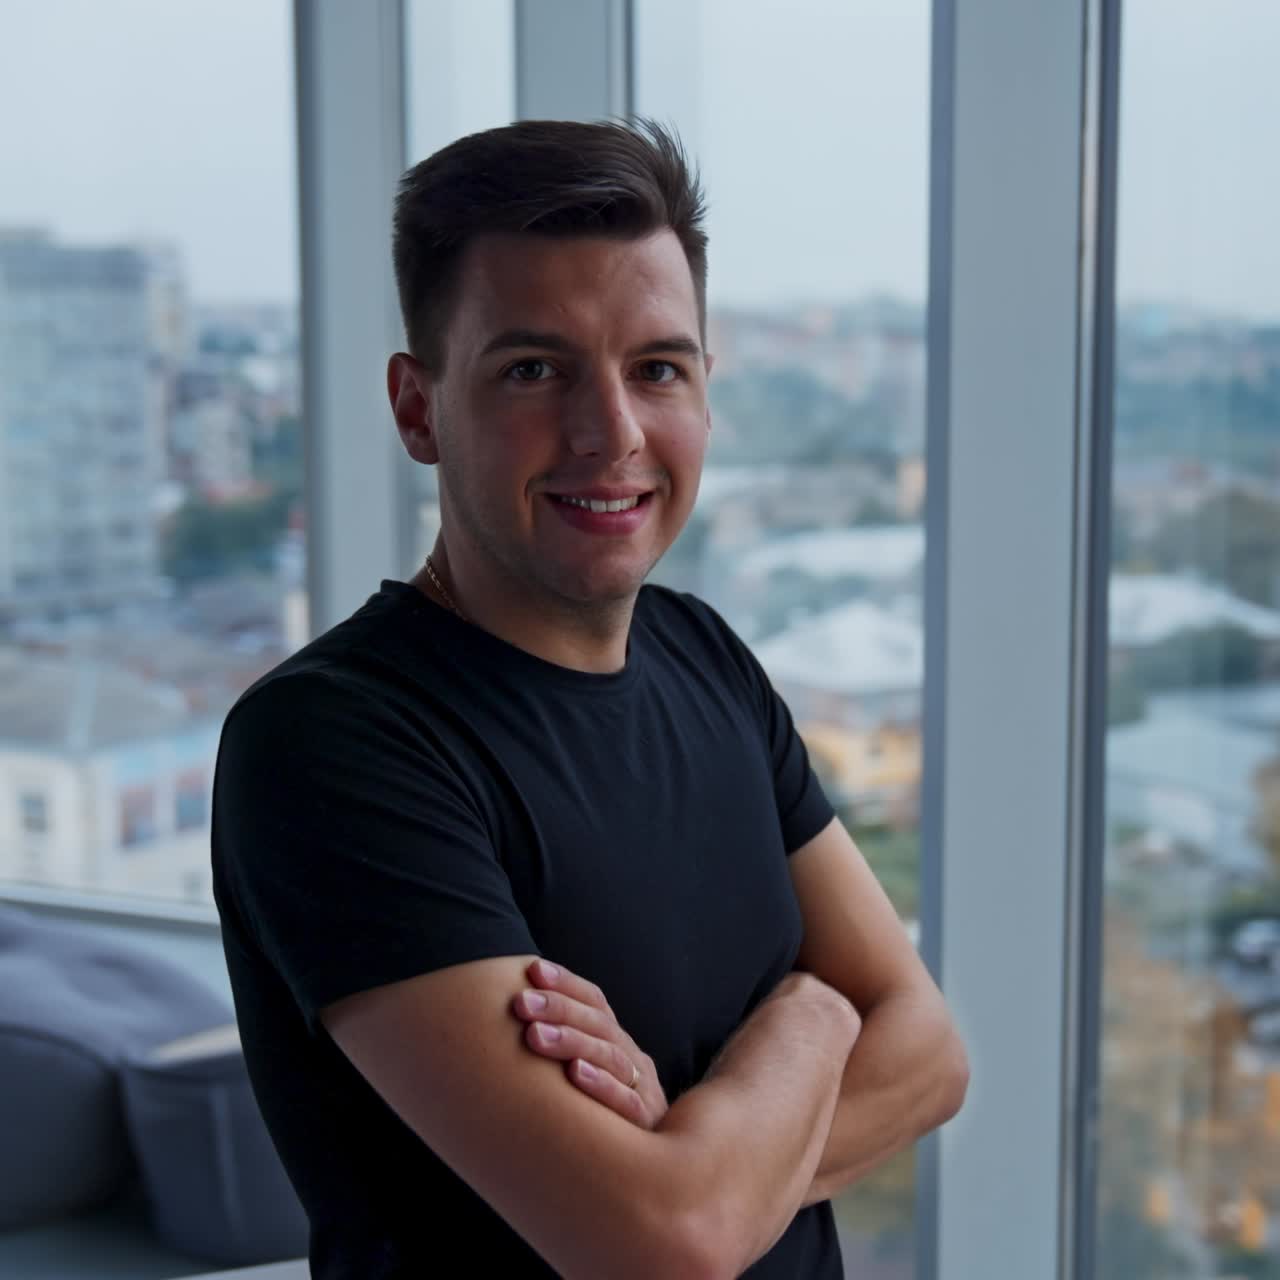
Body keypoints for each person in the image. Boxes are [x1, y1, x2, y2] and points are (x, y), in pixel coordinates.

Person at [212, 118, 968, 1279]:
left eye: (655, 368)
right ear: (417, 408)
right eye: (533, 369)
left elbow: (928, 1054)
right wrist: (817, 1016)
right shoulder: (330, 743)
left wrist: (705, 1164)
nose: (609, 432)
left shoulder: (703, 654)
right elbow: (660, 1246)